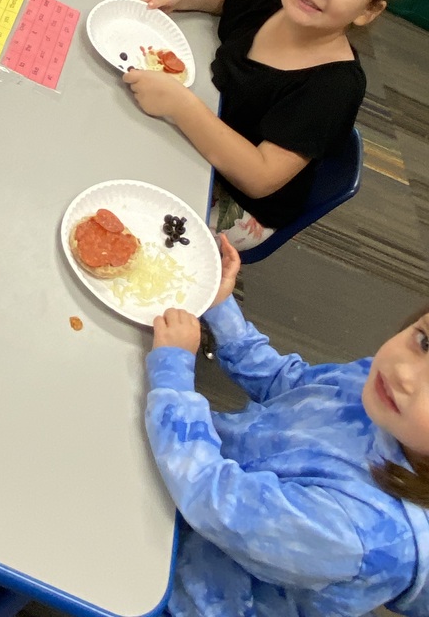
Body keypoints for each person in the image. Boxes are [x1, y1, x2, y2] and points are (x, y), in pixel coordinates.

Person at [147, 236, 429, 617]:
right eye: (425, 342)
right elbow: (291, 384)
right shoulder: (383, 394)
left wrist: (174, 374)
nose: (406, 373)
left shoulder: (362, 533)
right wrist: (220, 307)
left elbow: (214, 501)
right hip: (178, 464)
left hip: (176, 583)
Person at [123, 0, 413, 249]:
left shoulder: (333, 88)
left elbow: (260, 178)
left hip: (241, 202)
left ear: (368, 10)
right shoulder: (275, 2)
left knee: (131, 208)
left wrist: (182, 106)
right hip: (210, 133)